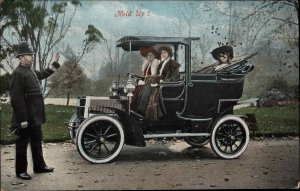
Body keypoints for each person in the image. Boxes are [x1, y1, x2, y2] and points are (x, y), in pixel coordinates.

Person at [10, 41, 61, 180]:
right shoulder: (18, 73)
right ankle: (20, 171)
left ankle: (39, 166)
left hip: (35, 116)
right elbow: (16, 99)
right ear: (20, 58)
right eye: (29, 55)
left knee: (37, 140)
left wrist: (55, 63)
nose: (31, 58)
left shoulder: (30, 71)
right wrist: (22, 119)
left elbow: (44, 73)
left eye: (32, 55)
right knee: (22, 142)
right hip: (25, 117)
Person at [142, 45, 180, 120]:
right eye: (162, 53)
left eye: (165, 53)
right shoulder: (162, 63)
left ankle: (150, 115)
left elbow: (174, 78)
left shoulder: (173, 64)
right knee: (146, 87)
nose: (163, 54)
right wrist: (151, 78)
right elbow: (160, 76)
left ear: (169, 53)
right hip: (161, 84)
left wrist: (163, 82)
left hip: (168, 87)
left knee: (149, 90)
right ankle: (143, 112)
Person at [131, 47, 159, 112]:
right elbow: (144, 75)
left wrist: (147, 77)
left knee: (145, 91)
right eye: (148, 55)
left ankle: (141, 110)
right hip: (146, 82)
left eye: (151, 55)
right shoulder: (148, 64)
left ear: (154, 55)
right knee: (134, 90)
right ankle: (133, 108)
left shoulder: (155, 62)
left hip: (152, 83)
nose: (149, 57)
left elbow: (154, 74)